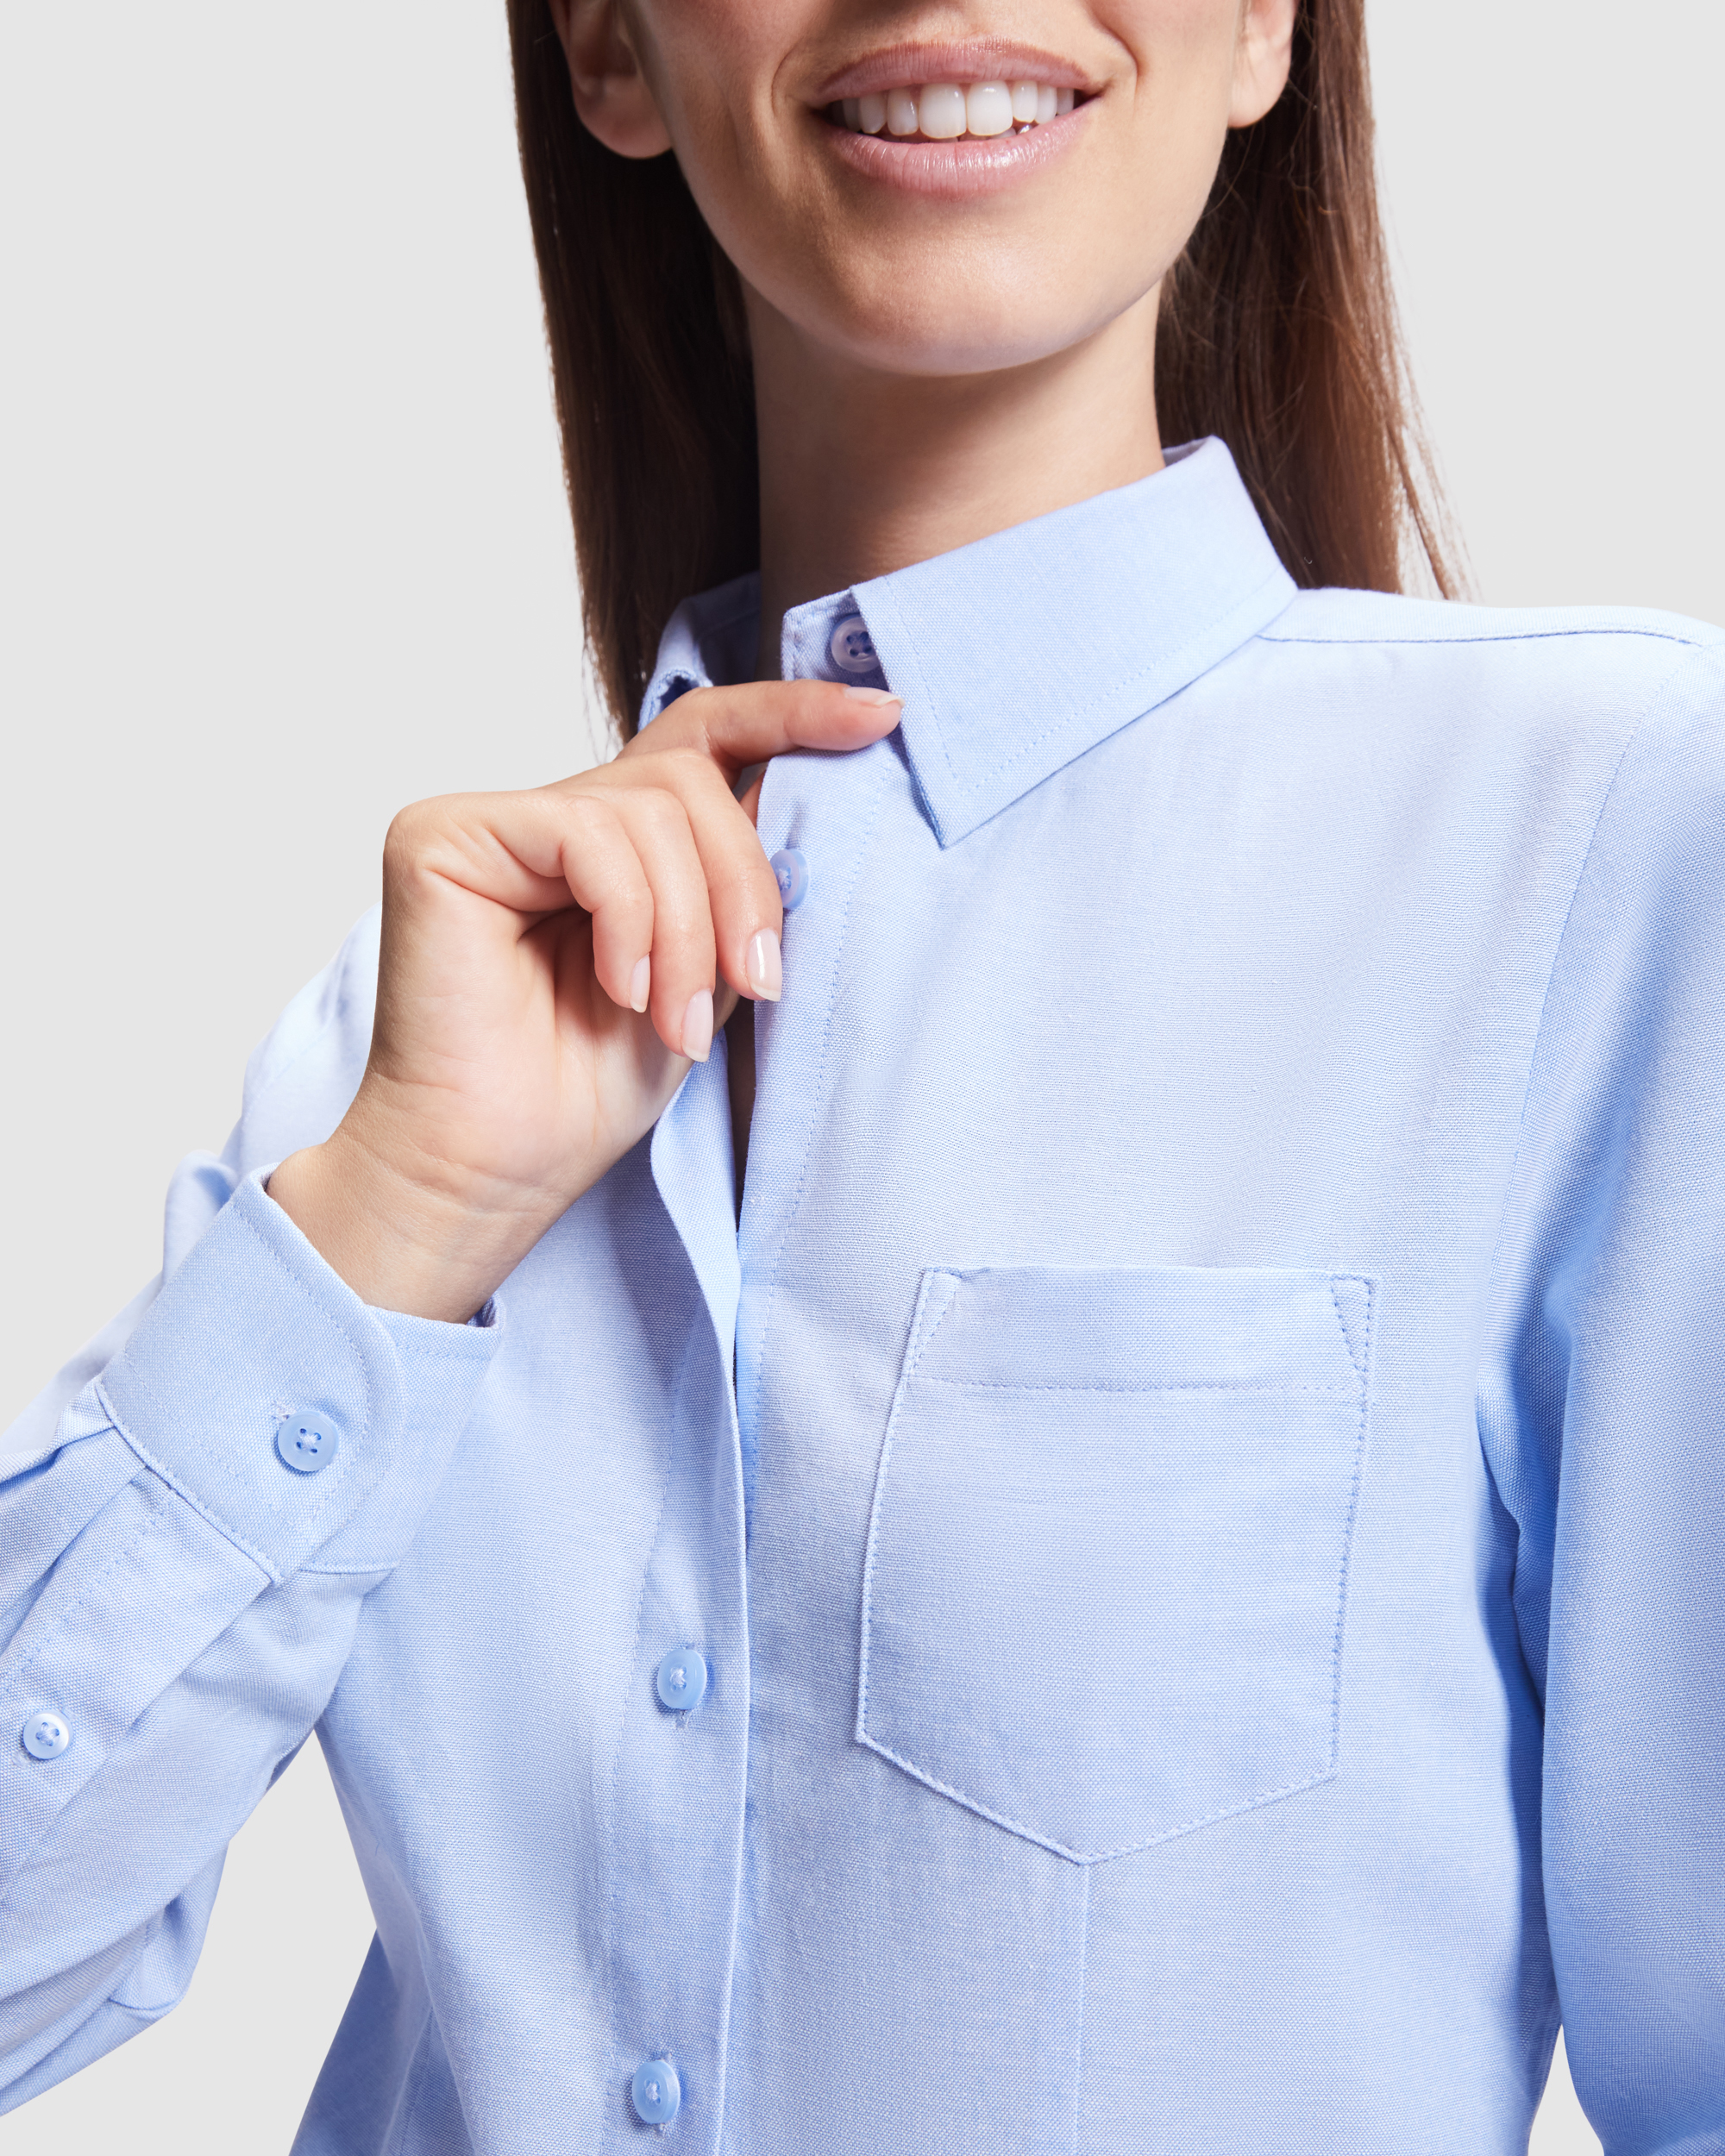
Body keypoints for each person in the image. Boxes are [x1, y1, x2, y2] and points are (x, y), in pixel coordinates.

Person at [3, 0, 1722, 2146]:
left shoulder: (1599, 839)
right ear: (606, 48)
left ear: (1266, 25)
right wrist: (400, 1215)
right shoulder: (413, 1042)